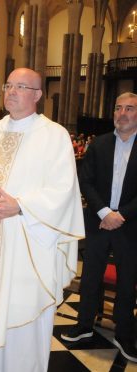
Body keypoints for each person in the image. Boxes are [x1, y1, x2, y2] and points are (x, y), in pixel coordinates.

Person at [0, 67, 85, 371]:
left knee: (22, 309)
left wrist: (21, 207)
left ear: (38, 95)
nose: (11, 91)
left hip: (28, 242)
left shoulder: (54, 136)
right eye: (8, 85)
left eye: (21, 87)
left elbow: (63, 188)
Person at [61, 92, 137, 363]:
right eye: (118, 108)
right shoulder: (100, 144)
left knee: (128, 280)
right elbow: (86, 180)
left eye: (129, 108)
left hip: (130, 226)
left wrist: (121, 215)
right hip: (98, 221)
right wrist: (104, 212)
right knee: (91, 275)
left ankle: (125, 333)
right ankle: (84, 325)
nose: (122, 113)